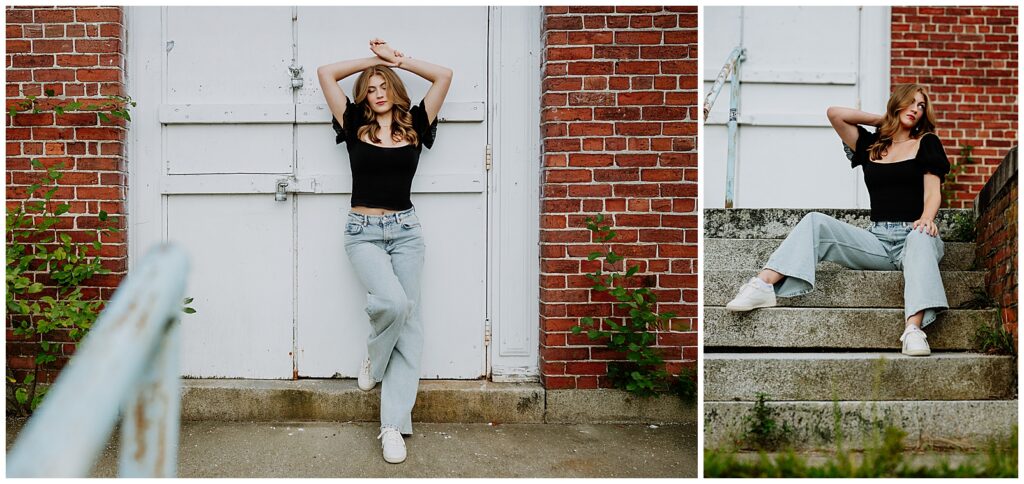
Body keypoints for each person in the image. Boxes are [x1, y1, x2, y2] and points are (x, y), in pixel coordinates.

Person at [725, 84, 951, 357]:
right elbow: (835, 114)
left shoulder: (926, 143)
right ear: (897, 103)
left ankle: (913, 330)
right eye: (911, 102)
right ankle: (763, 284)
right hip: (878, 241)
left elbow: (932, 192)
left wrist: (927, 218)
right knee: (815, 221)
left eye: (921, 106)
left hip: (915, 236)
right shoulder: (872, 145)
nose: (916, 109)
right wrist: (886, 120)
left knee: (921, 235)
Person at [317, 38, 452, 464]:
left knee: (410, 329)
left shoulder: (416, 123)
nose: (377, 93)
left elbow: (444, 75)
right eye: (370, 87)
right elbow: (325, 73)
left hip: (406, 230)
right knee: (394, 304)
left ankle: (392, 425)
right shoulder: (352, 121)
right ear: (363, 96)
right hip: (362, 232)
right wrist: (375, 60)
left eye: (383, 85)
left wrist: (400, 61)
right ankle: (375, 361)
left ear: (394, 90)